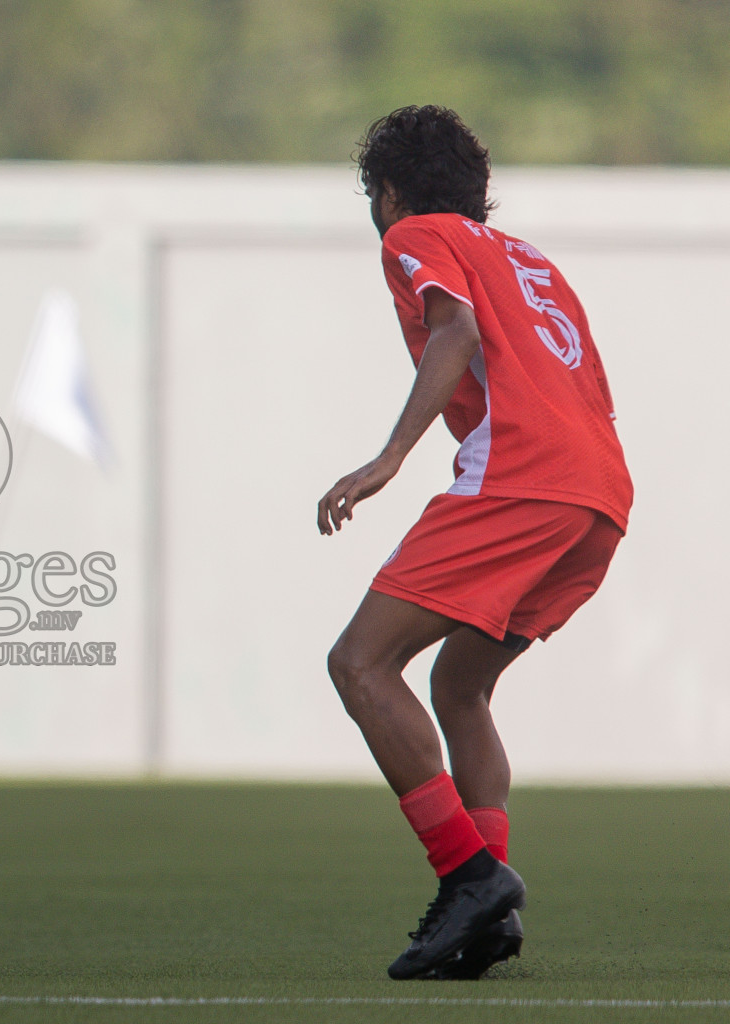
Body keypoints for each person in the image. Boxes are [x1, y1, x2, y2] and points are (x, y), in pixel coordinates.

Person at [317, 106, 632, 980]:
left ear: (387, 191)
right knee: (461, 684)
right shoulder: (532, 259)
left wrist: (387, 460)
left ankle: (469, 876)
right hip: (597, 493)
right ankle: (491, 920)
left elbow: (453, 332)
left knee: (361, 665)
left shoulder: (413, 233)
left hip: (523, 478)